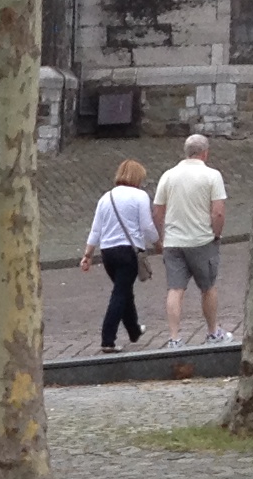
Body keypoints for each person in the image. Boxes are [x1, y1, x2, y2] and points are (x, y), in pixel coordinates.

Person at [153, 133, 227, 342]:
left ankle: (174, 338)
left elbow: (157, 211)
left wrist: (162, 237)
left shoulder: (168, 176)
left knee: (175, 289)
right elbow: (218, 212)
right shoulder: (212, 176)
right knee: (208, 287)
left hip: (174, 242)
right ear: (205, 153)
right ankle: (213, 332)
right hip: (201, 240)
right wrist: (216, 233)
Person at [84, 159, 156, 351]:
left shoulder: (105, 198)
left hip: (107, 252)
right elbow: (147, 226)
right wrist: (158, 243)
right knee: (120, 294)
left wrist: (88, 254)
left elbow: (96, 229)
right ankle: (108, 339)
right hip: (128, 251)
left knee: (124, 290)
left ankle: (134, 330)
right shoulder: (140, 196)